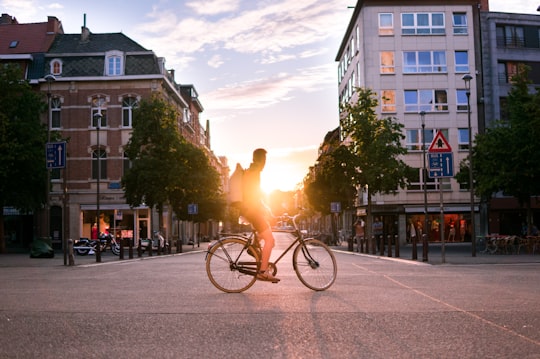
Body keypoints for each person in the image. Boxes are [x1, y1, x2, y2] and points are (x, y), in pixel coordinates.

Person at [241, 148, 280, 283]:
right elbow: (254, 195)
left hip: (251, 210)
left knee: (271, 240)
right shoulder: (254, 172)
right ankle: (263, 272)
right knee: (269, 240)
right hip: (252, 211)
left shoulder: (251, 170)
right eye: (264, 160)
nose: (265, 163)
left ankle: (252, 247)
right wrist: (265, 209)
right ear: (259, 160)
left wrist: (266, 209)